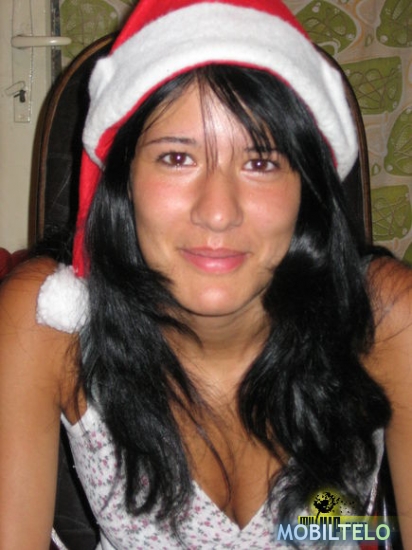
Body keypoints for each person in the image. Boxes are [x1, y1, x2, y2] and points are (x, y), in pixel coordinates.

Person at [1, 0, 411, 548]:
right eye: (177, 158)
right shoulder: (48, 322)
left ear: (307, 188)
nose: (218, 212)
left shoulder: (386, 319)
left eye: (260, 162)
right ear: (123, 179)